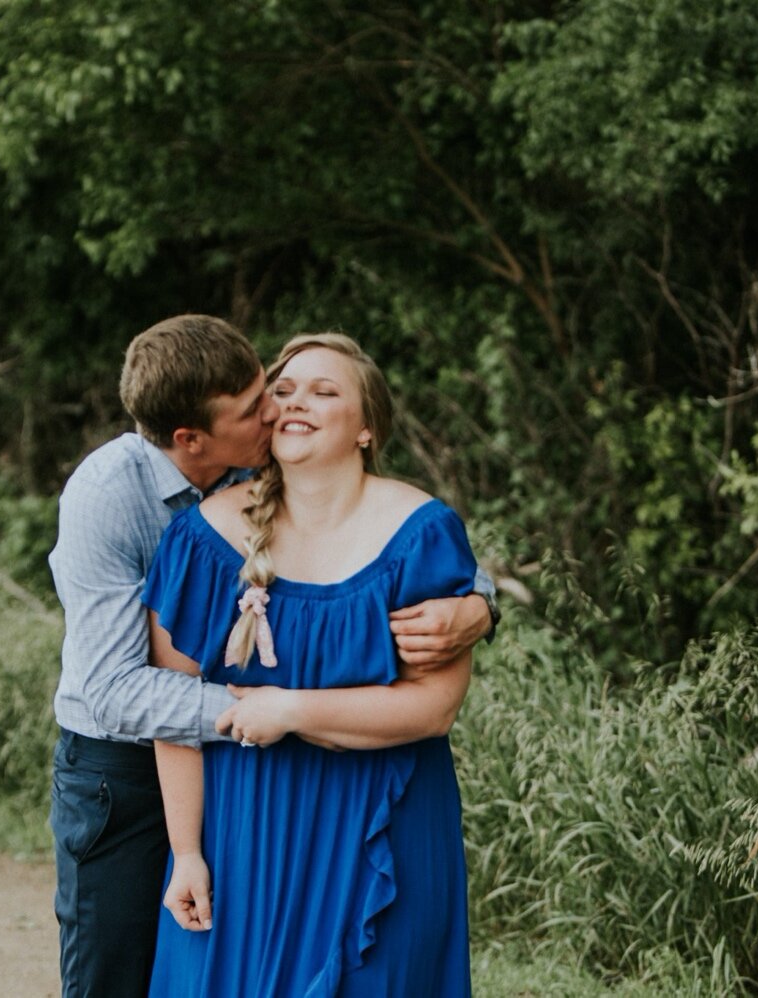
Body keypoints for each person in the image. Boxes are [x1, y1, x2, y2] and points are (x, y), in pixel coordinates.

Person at [48, 316, 496, 998]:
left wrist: (481, 605)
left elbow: (434, 698)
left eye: (318, 392)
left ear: (367, 425)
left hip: (374, 815)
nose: (282, 408)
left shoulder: (419, 529)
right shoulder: (144, 512)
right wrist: (191, 846)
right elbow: (131, 692)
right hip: (174, 790)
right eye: (277, 395)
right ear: (193, 438)